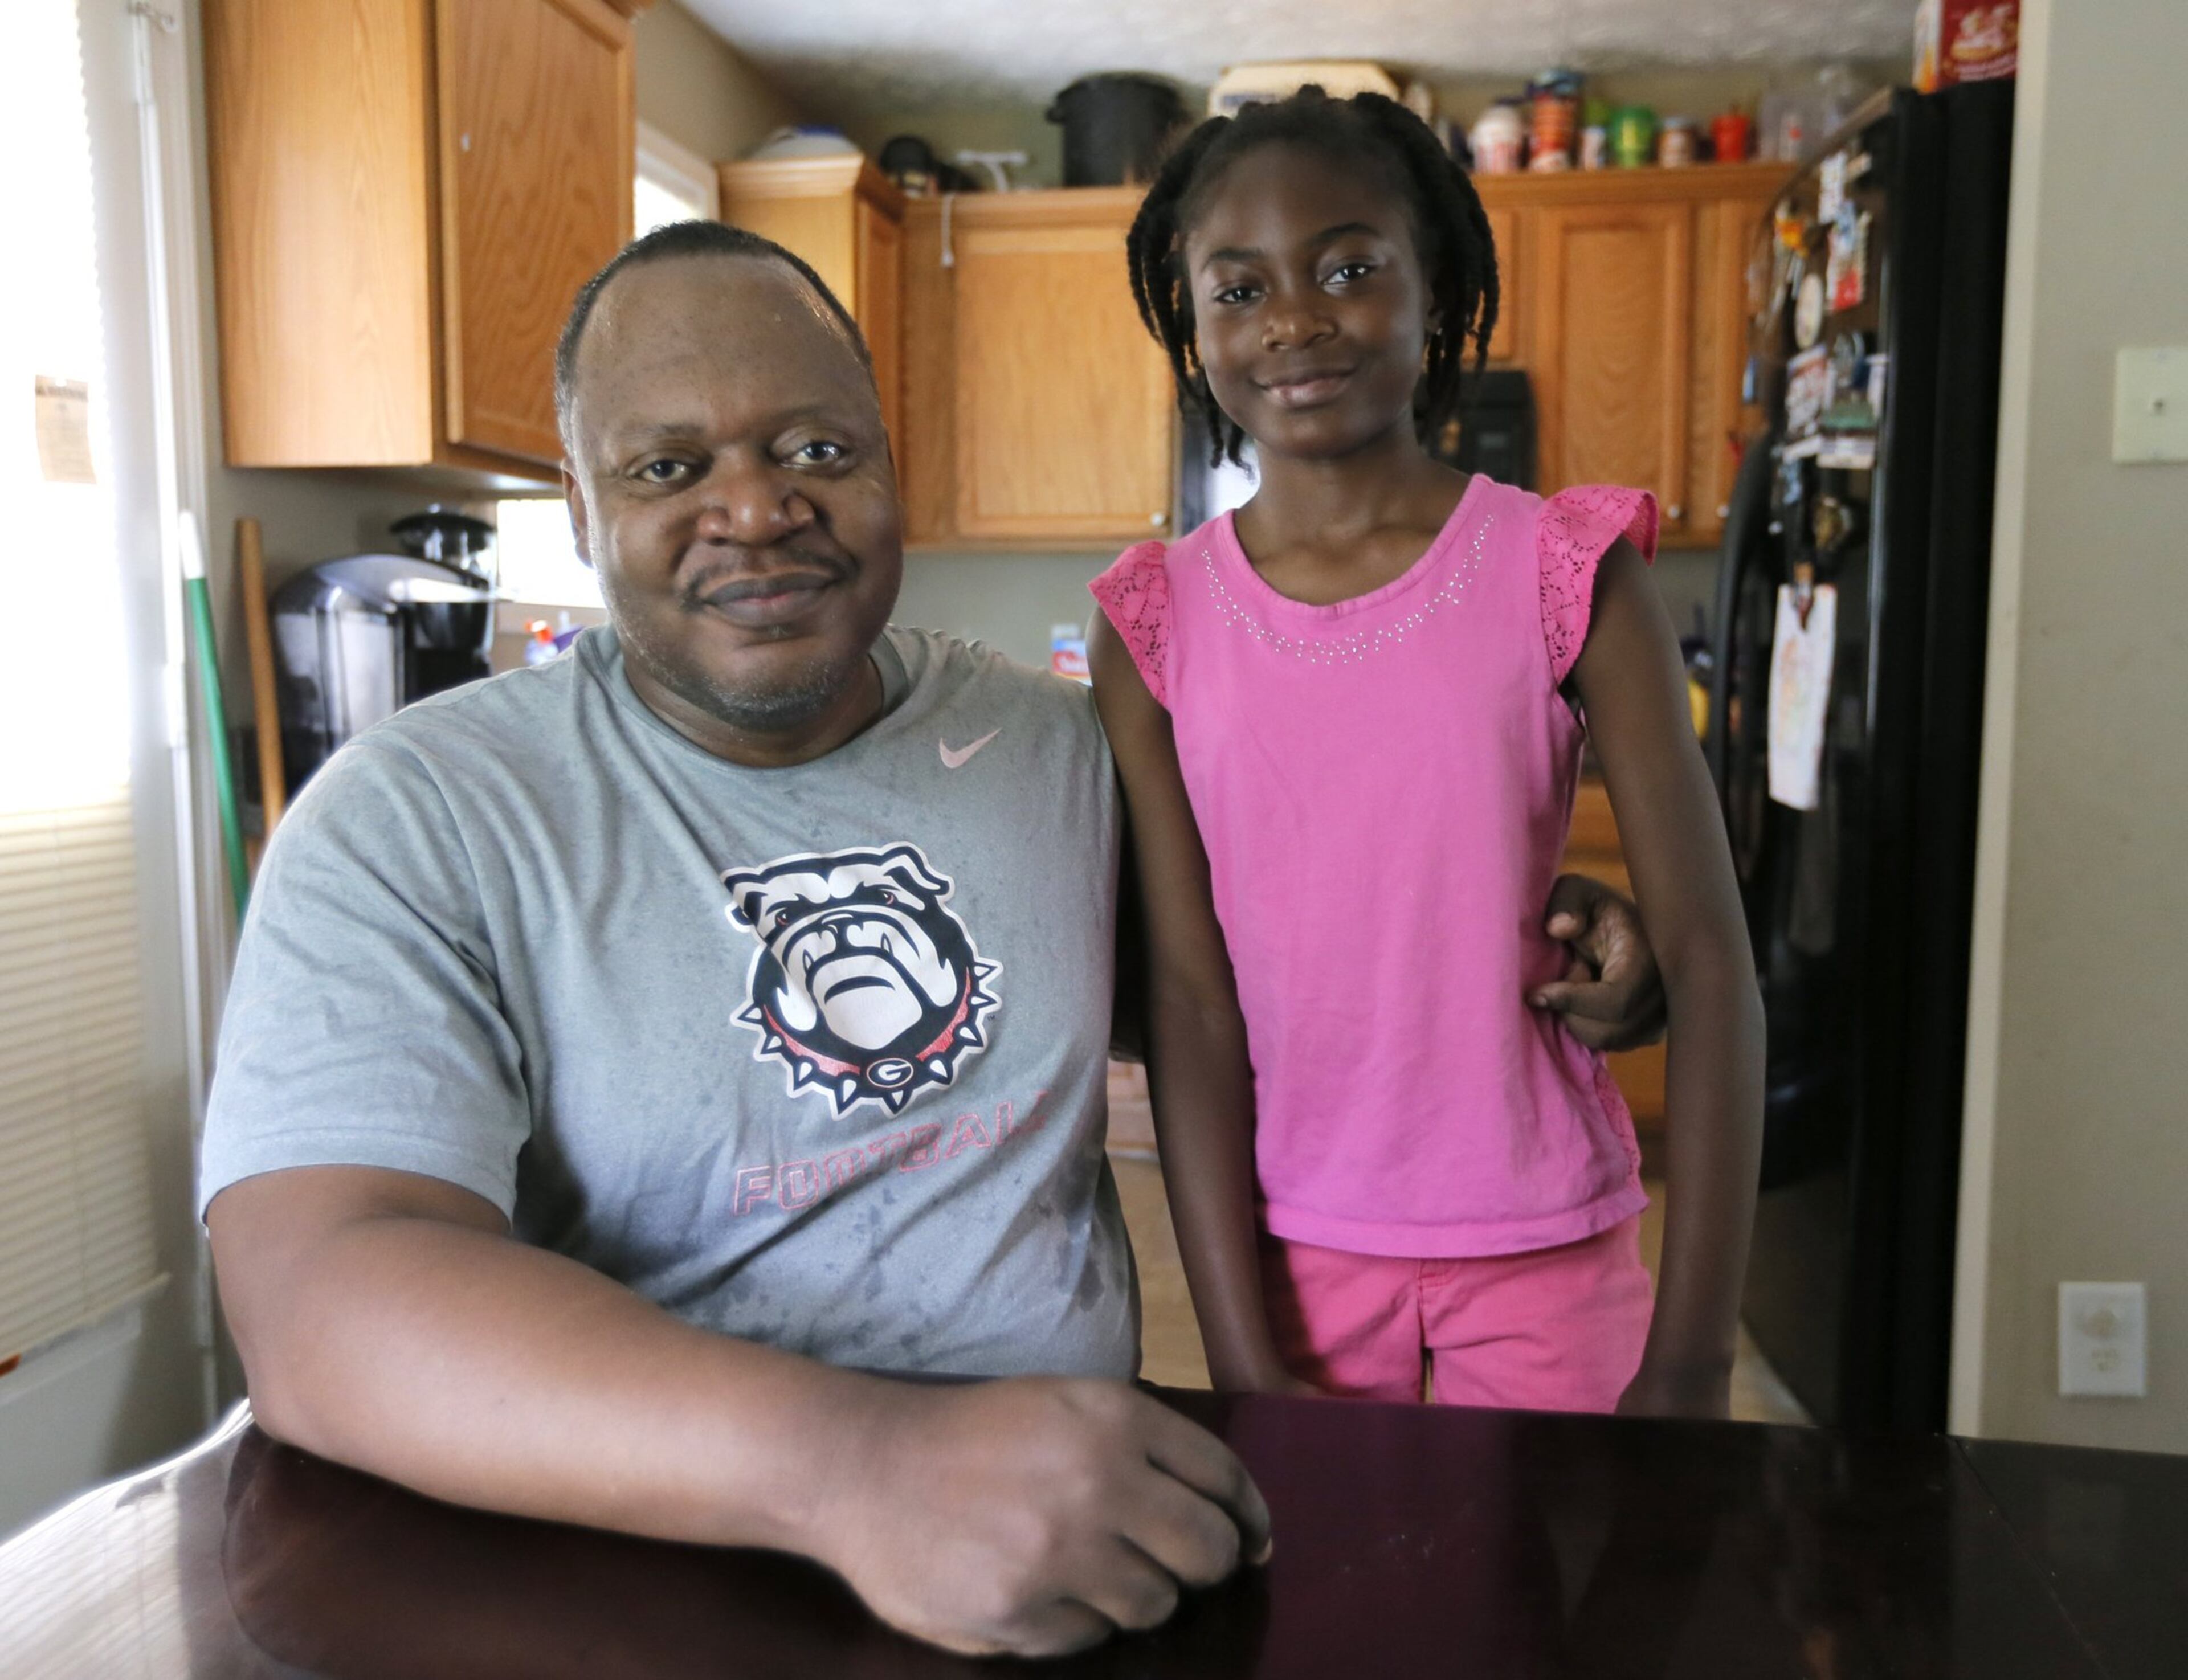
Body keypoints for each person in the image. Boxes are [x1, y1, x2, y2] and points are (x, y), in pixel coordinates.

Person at [201, 221, 1667, 1659]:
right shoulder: (419, 815)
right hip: (619, 1576)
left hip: (1070, 1544)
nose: (760, 507)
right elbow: (324, 1292)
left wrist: (1543, 921)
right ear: (582, 512)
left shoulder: (1060, 750)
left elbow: (1272, 974)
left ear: (891, 464)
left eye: (818, 450)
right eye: (669, 467)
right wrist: (859, 1467)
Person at [1088, 89, 1764, 1419]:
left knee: (1566, 1624)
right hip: (1293, 1254)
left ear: (1436, 281)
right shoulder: (1154, 624)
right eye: (1238, 288)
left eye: (1348, 266)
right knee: (1332, 1625)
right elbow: (1189, 998)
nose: (1293, 319)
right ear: (1188, 320)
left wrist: (1691, 1359)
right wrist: (1241, 1353)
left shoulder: (1566, 571)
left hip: (1548, 1244)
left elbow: (1710, 961)